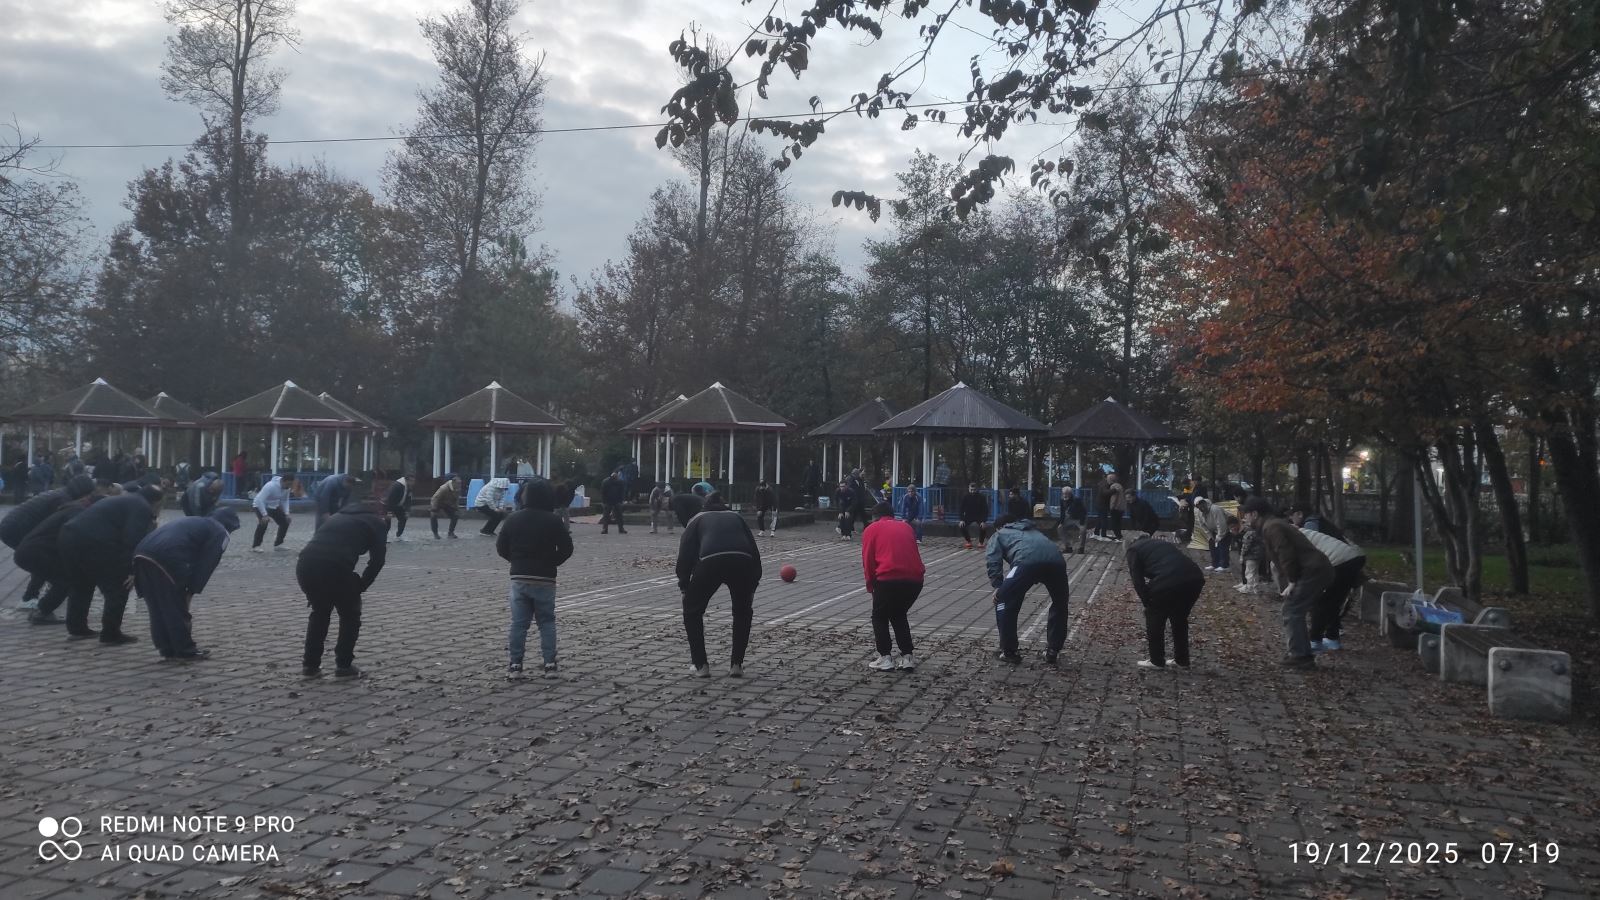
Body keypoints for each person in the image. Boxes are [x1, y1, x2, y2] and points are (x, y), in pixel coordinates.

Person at [58, 485, 163, 642]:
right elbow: (132, 539)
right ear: (156, 502)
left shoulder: (125, 500)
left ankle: (77, 628)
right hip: (95, 542)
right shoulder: (142, 507)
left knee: (81, 584)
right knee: (119, 586)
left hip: (69, 537)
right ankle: (111, 633)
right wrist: (131, 570)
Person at [132, 508, 241, 660]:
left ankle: (166, 648)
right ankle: (185, 650)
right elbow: (207, 564)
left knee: (157, 607)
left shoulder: (196, 521)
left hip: (141, 553)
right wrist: (191, 590)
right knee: (175, 607)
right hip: (168, 557)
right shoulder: (220, 532)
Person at [298, 499, 389, 677]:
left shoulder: (337, 516)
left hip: (305, 565)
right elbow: (377, 560)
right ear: (378, 511)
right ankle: (344, 665)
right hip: (336, 567)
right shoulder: (376, 522)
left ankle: (310, 665)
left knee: (320, 612)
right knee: (350, 615)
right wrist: (362, 585)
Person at [1241, 497, 1335, 669]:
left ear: (1254, 514)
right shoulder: (1272, 525)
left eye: (1245, 514)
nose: (1244, 518)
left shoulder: (1272, 527)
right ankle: (1301, 653)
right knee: (1294, 609)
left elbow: (1285, 553)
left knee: (1292, 610)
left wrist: (1292, 581)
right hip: (1314, 569)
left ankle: (1300, 656)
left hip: (1313, 571)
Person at [676, 491, 760, 678]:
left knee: (692, 611)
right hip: (742, 561)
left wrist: (684, 585)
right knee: (742, 612)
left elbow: (685, 554)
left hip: (710, 561)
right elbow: (753, 550)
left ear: (704, 506)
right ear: (725, 505)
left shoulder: (697, 519)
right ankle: (736, 665)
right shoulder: (737, 517)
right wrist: (753, 583)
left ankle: (701, 666)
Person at [496, 479, 574, 679]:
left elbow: (501, 547)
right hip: (545, 578)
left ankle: (515, 665)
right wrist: (552, 562)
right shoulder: (553, 520)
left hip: (519, 576)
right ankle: (549, 664)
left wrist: (516, 561)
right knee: (546, 622)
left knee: (518, 623)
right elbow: (567, 548)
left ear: (524, 496)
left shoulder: (513, 518)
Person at [985, 514, 1071, 666]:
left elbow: (993, 559)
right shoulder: (1034, 531)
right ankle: (1053, 651)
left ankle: (1009, 652)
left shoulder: (999, 534)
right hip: (1057, 562)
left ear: (1000, 527)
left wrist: (998, 586)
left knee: (1003, 599)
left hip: (1026, 563)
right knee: (1060, 604)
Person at [1, 474, 96, 609]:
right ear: (83, 492)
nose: (89, 498)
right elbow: (57, 529)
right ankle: (29, 598)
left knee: (41, 558)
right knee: (40, 558)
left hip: (12, 525)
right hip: (15, 528)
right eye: (89, 494)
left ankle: (35, 594)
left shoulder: (62, 494)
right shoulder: (63, 500)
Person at [1126, 532, 1205, 670]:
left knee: (1154, 618)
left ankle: (1156, 660)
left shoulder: (1133, 550)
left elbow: (1137, 580)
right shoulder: (1160, 543)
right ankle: (1182, 660)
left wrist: (1147, 602)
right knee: (1179, 618)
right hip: (1194, 578)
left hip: (1169, 580)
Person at [860, 501, 924, 671]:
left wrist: (871, 586)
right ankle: (907, 656)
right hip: (915, 580)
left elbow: (868, 561)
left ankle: (885, 657)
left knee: (879, 616)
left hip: (888, 577)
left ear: (875, 517)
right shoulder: (906, 527)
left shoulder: (871, 529)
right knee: (898, 614)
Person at [1299, 527, 1367, 652]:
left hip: (1339, 561)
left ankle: (1314, 641)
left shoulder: (1290, 536)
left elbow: (1302, 562)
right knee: (1334, 601)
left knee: (1321, 602)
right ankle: (1332, 639)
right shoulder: (1302, 532)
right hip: (1355, 557)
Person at [251, 472, 296, 551]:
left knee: (285, 522)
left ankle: (278, 544)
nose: (289, 486)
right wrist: (265, 515)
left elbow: (285, 500)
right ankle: (256, 546)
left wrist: (287, 513)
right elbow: (260, 500)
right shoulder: (270, 486)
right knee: (264, 523)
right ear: (283, 481)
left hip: (273, 506)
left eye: (291, 484)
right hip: (259, 505)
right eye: (288, 484)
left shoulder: (287, 488)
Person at [957, 483, 989, 549]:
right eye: (971, 490)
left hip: (979, 516)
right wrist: (961, 520)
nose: (972, 491)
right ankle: (968, 541)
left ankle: (981, 542)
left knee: (983, 526)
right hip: (968, 516)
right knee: (961, 525)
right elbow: (961, 509)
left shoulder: (981, 497)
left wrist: (983, 521)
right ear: (969, 489)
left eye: (974, 490)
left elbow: (985, 510)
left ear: (977, 489)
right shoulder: (965, 497)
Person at [383, 474, 413, 540]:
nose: (413, 482)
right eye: (411, 481)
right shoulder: (397, 485)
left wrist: (407, 511)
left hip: (398, 505)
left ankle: (399, 535)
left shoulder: (409, 487)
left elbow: (409, 500)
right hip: (388, 505)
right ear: (407, 480)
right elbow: (390, 499)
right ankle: (384, 536)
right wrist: (389, 512)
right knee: (388, 521)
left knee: (403, 518)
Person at [1058, 486, 1088, 554]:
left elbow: (1083, 511)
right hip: (1070, 517)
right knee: (1060, 528)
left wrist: (1082, 523)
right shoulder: (1062, 499)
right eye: (1064, 493)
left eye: (1066, 494)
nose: (1065, 495)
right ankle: (1068, 547)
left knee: (1083, 530)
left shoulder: (1076, 499)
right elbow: (1062, 512)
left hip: (1080, 518)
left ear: (1070, 494)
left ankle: (1081, 548)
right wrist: (1061, 522)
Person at [599, 469, 628, 535]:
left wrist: (621, 501)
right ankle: (607, 529)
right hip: (609, 501)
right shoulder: (608, 482)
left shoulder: (608, 481)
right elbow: (603, 492)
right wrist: (604, 502)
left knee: (616, 516)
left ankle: (619, 529)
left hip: (614, 501)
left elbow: (622, 492)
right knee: (608, 515)